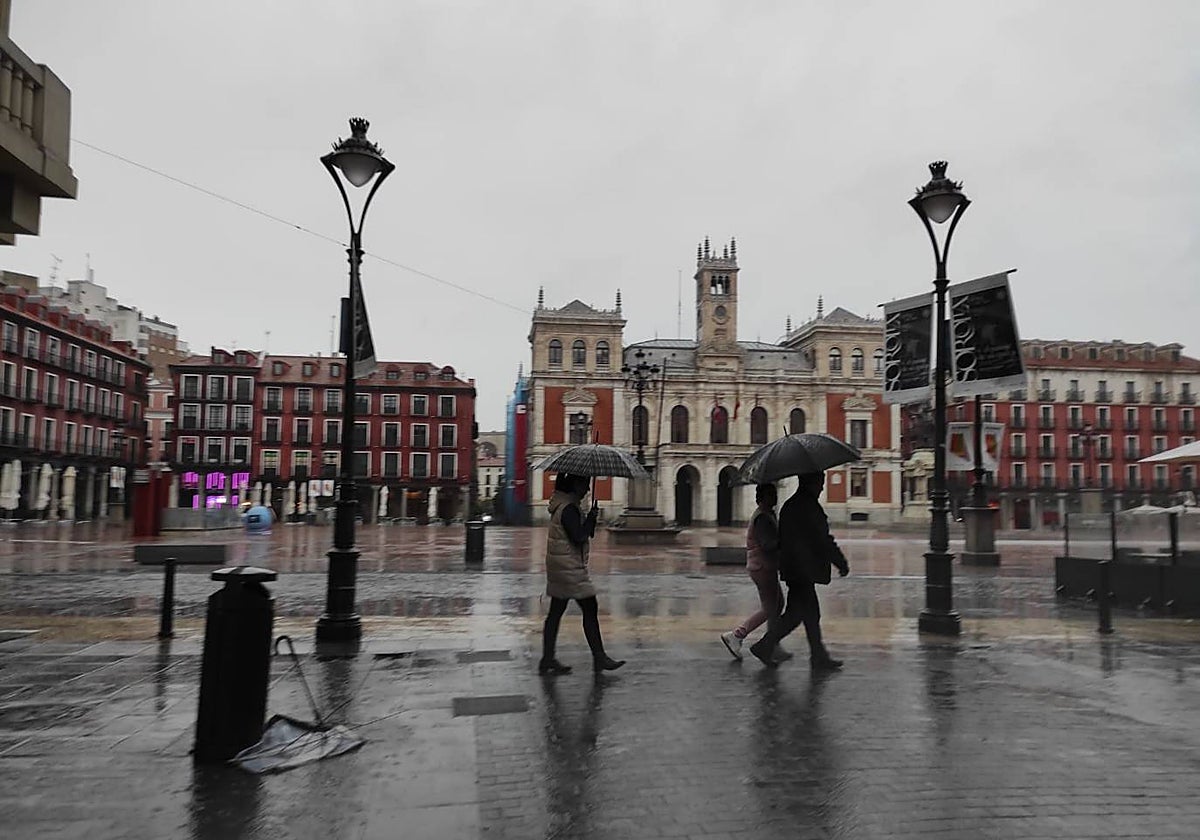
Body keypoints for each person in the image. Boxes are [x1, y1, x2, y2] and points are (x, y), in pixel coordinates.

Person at [750, 472, 848, 670]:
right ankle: (765, 645)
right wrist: (840, 561)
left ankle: (818, 656)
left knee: (810, 613)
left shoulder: (792, 505)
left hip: (795, 568)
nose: (821, 488)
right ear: (810, 483)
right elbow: (822, 538)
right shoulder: (808, 507)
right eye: (820, 483)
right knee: (796, 614)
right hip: (802, 568)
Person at [539, 473, 626, 676]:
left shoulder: (563, 504)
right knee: (590, 606)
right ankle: (599, 657)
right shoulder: (568, 508)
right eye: (584, 485)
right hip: (568, 567)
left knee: (555, 613)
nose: (587, 489)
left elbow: (580, 532)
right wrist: (590, 520)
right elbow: (578, 536)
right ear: (575, 485)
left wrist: (589, 520)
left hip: (561, 565)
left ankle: (547, 659)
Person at [720, 484, 791, 662]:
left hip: (765, 566)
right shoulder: (762, 518)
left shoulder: (767, 514)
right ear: (762, 497)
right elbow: (768, 544)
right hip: (762, 567)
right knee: (770, 608)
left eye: (775, 493)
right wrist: (784, 539)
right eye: (770, 494)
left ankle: (772, 644)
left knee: (777, 605)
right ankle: (737, 635)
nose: (774, 497)